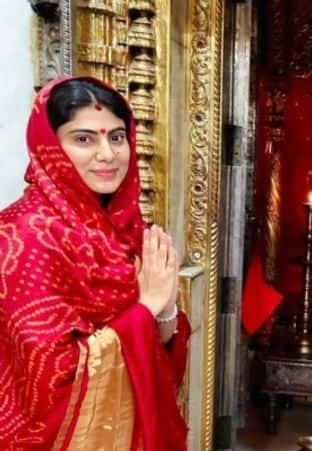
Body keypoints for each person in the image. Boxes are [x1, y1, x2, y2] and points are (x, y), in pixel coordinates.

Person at [0, 77, 190, 450]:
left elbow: (156, 347)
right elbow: (51, 381)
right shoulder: (23, 235)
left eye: (117, 137)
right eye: (84, 139)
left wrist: (165, 308)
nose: (108, 154)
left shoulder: (124, 230)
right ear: (50, 146)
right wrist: (146, 307)